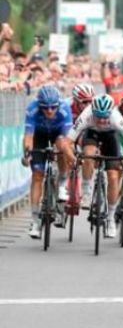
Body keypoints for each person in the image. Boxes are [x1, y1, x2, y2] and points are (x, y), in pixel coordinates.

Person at [61, 94, 123, 238]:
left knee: (113, 176)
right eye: (99, 117)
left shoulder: (116, 118)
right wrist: (73, 159)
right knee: (89, 154)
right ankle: (86, 191)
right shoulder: (86, 115)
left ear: (111, 113)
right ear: (93, 111)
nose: (103, 121)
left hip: (111, 137)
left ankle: (110, 217)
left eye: (105, 117)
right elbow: (66, 142)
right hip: (92, 134)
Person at [22, 86, 72, 239]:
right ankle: (35, 220)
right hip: (40, 136)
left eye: (53, 107)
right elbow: (29, 136)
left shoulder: (64, 109)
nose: (50, 111)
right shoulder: (32, 109)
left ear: (58, 104)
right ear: (39, 105)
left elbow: (68, 138)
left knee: (63, 148)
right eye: (45, 107)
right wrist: (27, 153)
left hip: (59, 134)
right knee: (37, 175)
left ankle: (62, 183)